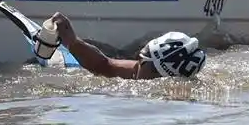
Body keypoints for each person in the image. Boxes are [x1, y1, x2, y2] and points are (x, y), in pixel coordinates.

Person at [45, 12, 206, 79]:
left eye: (143, 62)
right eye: (140, 58)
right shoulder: (142, 71)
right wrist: (72, 42)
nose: (137, 64)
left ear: (158, 74)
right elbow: (105, 65)